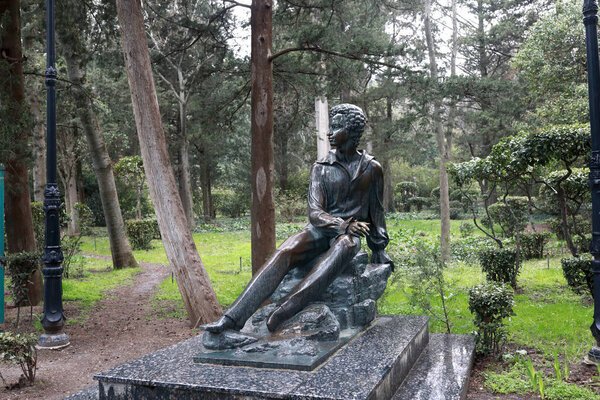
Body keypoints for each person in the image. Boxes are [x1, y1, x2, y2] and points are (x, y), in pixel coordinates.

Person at [200, 103, 392, 334]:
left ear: (351, 130)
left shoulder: (372, 168)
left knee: (346, 244)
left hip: (349, 236)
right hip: (322, 229)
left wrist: (379, 247)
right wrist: (341, 224)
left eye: (337, 127)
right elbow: (314, 212)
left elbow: (377, 212)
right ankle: (231, 319)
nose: (329, 132)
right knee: (286, 250)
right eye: (330, 127)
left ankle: (283, 311)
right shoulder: (321, 167)